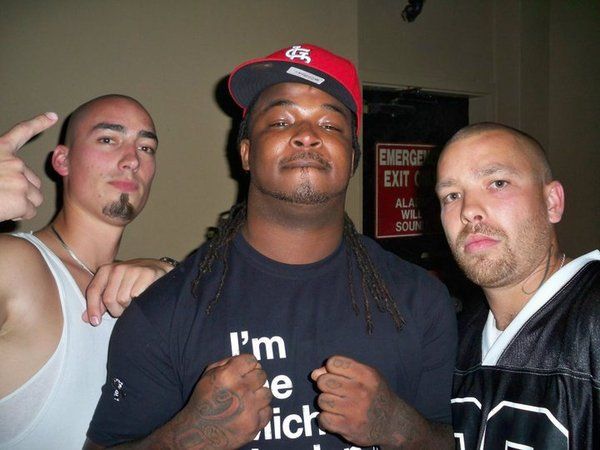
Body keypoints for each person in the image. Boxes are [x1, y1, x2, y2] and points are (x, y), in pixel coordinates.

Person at [86, 44, 457, 449]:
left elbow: (454, 436)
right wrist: (188, 437)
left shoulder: (422, 300)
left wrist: (399, 427)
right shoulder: (163, 310)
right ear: (246, 153)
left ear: (352, 158)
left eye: (330, 125)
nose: (307, 136)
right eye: (281, 121)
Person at [0, 95, 178, 449]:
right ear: (62, 160)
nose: (132, 160)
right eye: (108, 139)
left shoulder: (151, 287)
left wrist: (171, 272)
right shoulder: (16, 263)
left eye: (146, 147)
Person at [435, 122, 600, 449]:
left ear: (552, 202)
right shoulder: (456, 336)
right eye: (452, 195)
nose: (469, 211)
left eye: (497, 183)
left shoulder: (592, 320)